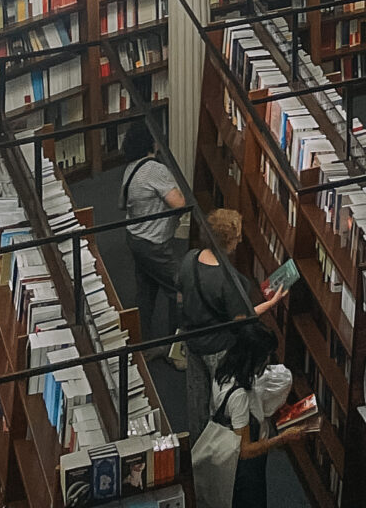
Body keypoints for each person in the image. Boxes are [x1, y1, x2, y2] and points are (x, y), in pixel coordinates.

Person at [179, 209, 284, 437]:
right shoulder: (230, 281)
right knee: (222, 400)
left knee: (197, 398)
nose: (240, 241)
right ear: (229, 241)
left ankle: (198, 446)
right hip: (218, 347)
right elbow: (242, 322)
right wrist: (271, 303)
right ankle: (221, 448)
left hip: (192, 341)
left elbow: (181, 293)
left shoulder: (190, 259)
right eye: (237, 237)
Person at [193, 320, 298, 508]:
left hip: (224, 453)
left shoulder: (224, 369)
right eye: (265, 356)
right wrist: (283, 439)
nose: (268, 361)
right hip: (243, 470)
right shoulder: (239, 396)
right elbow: (245, 451)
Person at [119, 116, 188, 342]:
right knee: (181, 289)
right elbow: (179, 204)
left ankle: (143, 340)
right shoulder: (155, 170)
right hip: (154, 244)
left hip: (135, 238)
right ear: (151, 142)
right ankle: (175, 347)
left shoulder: (131, 169)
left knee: (146, 290)